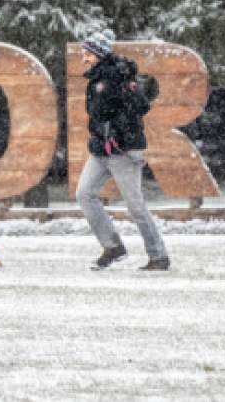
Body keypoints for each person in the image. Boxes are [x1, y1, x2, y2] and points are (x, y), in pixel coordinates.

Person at [76, 29, 170, 271]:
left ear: (98, 54)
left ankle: (159, 256)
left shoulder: (118, 75)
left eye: (87, 54)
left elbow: (139, 106)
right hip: (101, 150)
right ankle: (113, 247)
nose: (83, 58)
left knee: (135, 206)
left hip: (123, 150)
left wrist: (118, 133)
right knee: (84, 193)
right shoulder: (97, 78)